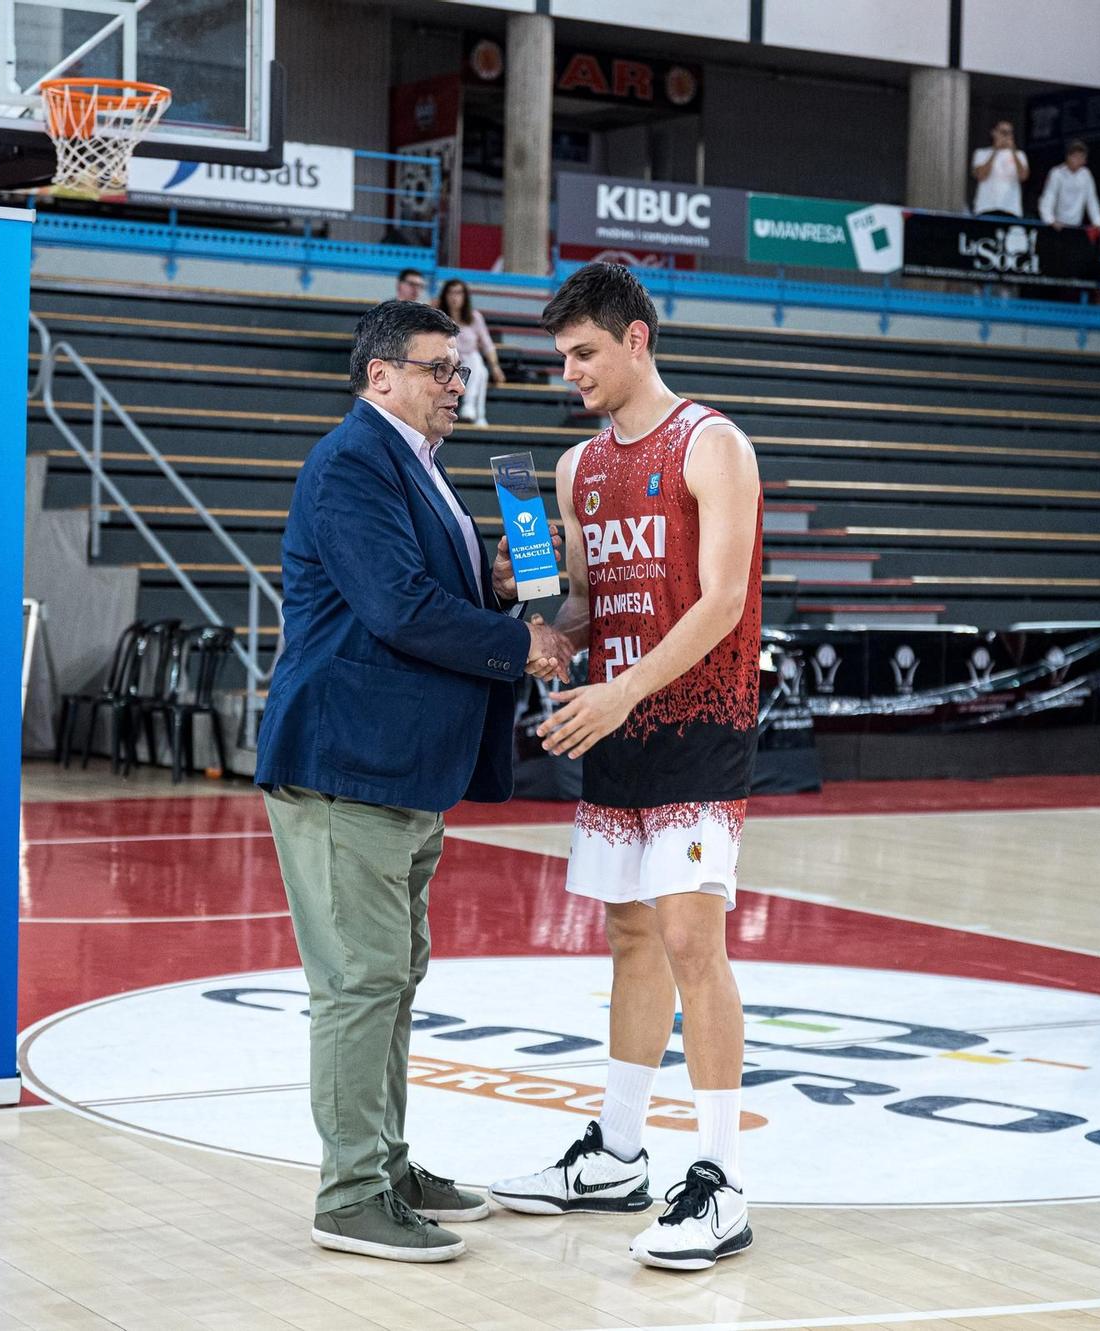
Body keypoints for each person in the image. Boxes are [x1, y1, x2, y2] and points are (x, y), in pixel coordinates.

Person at [254, 298, 571, 1262]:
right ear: (380, 375)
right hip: (347, 763)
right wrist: (522, 641)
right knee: (360, 982)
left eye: (457, 368)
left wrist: (507, 588)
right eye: (438, 368)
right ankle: (350, 1193)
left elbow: (426, 590)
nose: (455, 380)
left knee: (390, 980)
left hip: (395, 770)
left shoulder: (420, 467)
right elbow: (397, 605)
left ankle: (385, 1163)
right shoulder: (354, 460)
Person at [488, 263, 763, 1272]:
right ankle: (614, 1149)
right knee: (630, 933)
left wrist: (622, 687)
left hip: (695, 715)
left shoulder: (712, 443)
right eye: (561, 357)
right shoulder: (571, 468)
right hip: (613, 722)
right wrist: (540, 623)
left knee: (693, 931)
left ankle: (722, 1179)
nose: (569, 373)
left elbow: (721, 600)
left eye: (584, 353)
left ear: (636, 339)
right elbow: (583, 608)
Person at [436, 278, 505, 425]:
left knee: (480, 368)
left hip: (470, 363)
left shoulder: (474, 318)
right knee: (478, 368)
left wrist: (495, 366)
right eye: (451, 293)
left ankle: (472, 409)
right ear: (445, 295)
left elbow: (487, 344)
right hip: (446, 362)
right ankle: (477, 413)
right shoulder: (438, 317)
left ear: (465, 296)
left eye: (459, 293)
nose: (455, 297)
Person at [1038, 140, 1100, 230]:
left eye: (1083, 158)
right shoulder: (1057, 173)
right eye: (1077, 157)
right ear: (1069, 157)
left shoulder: (1086, 175)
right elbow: (1049, 196)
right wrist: (1049, 219)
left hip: (1076, 226)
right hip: (1057, 225)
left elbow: (1091, 199)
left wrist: (1098, 221)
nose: (1081, 161)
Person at [970, 120, 1029, 217]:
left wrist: (1013, 151)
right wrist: (995, 151)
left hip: (1011, 208)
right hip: (985, 207)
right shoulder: (981, 153)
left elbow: (1023, 177)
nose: (1005, 135)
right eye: (1003, 132)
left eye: (1009, 132)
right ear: (994, 133)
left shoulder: (1020, 155)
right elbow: (981, 176)